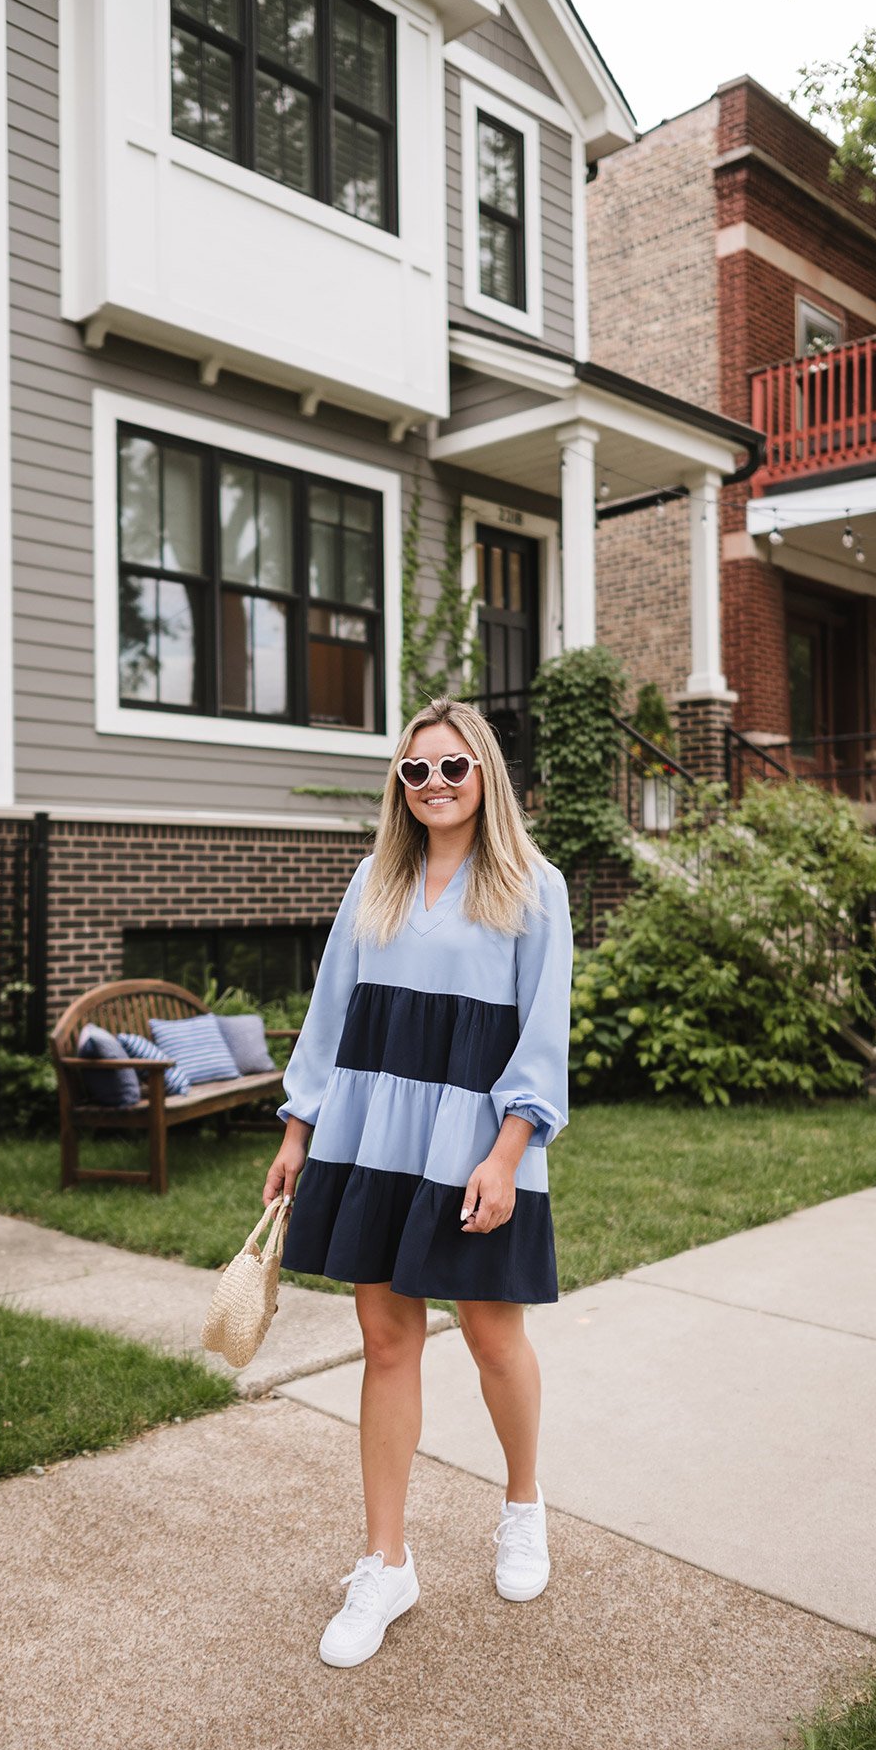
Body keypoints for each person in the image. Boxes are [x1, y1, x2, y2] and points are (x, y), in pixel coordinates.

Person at [263, 695, 573, 1669]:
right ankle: (384, 1560)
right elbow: (329, 1014)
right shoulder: (375, 880)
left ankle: (522, 1503)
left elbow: (541, 1032)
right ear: (398, 786)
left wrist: (508, 1150)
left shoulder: (532, 884)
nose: (434, 784)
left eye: (452, 766)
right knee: (386, 1339)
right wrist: (299, 1125)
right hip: (371, 1137)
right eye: (415, 770)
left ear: (485, 773)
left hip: (476, 1140)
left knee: (490, 1334)